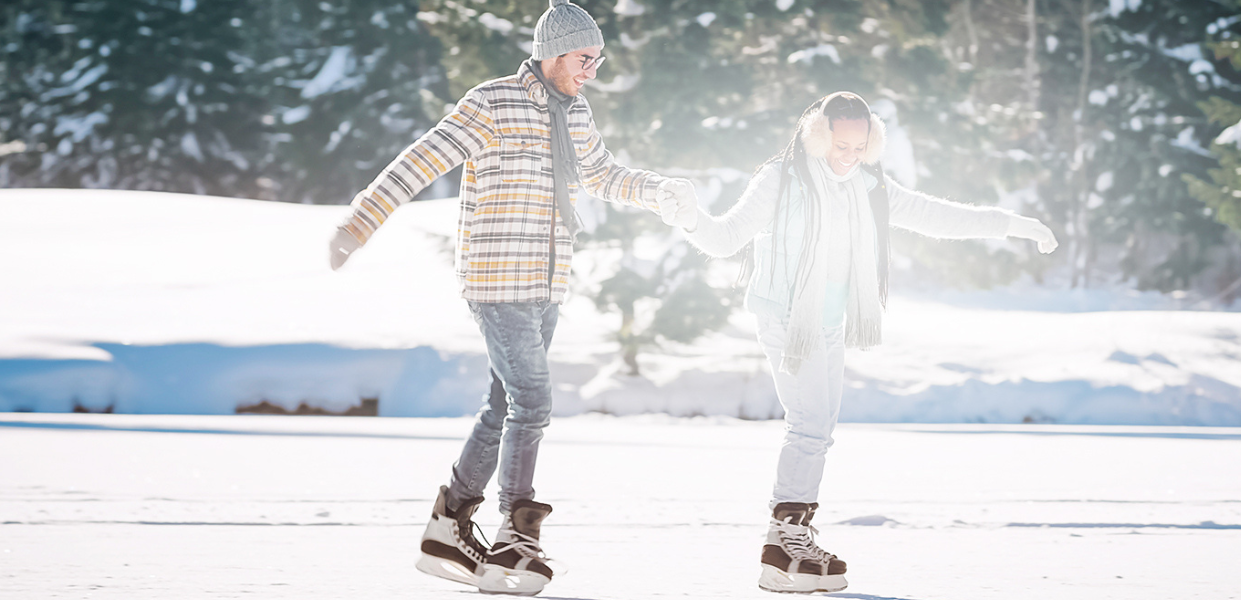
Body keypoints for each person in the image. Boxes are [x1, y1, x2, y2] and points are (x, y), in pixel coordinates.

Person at [326, 0, 700, 594]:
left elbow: (601, 174)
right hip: (497, 279)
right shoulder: (492, 102)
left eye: (598, 61)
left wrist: (659, 191)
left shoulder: (575, 113)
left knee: (502, 407)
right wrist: (358, 225)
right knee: (533, 400)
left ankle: (449, 523)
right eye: (585, 58)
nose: (591, 71)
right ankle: (516, 532)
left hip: (547, 283)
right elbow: (421, 160)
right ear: (553, 52)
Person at [671, 91, 1058, 593]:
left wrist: (1012, 224)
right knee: (809, 427)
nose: (847, 156)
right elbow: (724, 239)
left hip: (832, 322)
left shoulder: (868, 186)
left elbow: (936, 216)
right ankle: (782, 544)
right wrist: (687, 216)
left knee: (820, 429)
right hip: (790, 321)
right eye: (840, 144)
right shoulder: (781, 180)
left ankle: (793, 536)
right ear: (818, 134)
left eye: (858, 146)